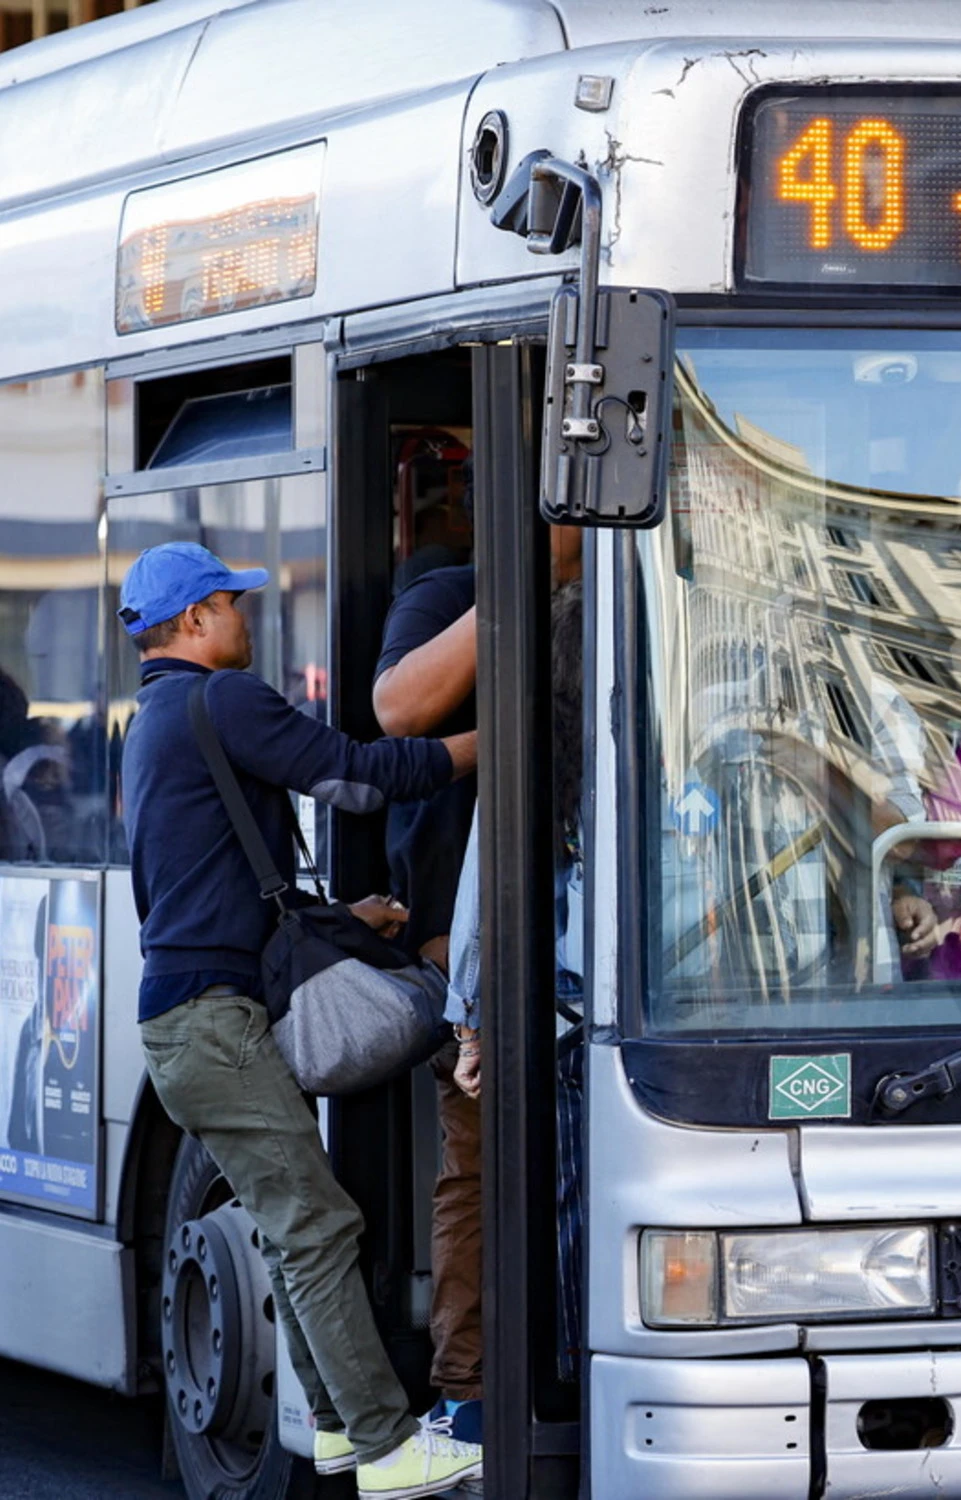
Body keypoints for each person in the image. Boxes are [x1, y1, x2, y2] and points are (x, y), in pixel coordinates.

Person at [117, 541, 481, 1499]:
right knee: (319, 1227)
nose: (247, 618)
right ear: (195, 621)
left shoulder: (152, 718)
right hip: (215, 1028)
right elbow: (360, 777)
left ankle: (327, 1426)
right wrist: (497, 738)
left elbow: (205, 888)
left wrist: (340, 920)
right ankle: (389, 1446)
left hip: (183, 1026)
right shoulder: (224, 700)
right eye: (233, 604)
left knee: (288, 1231)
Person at [372, 522, 583, 1442]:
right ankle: (468, 1393)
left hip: (599, 943)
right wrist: (526, 578)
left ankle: (571, 1370)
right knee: (481, 1163)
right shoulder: (452, 593)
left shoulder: (642, 594)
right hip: (471, 946)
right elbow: (396, 713)